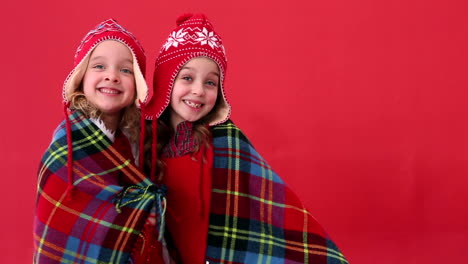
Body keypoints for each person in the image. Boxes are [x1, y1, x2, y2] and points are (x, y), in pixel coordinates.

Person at [144, 13, 349, 264]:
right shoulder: (144, 140)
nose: (198, 90)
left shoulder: (225, 142)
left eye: (211, 82)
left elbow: (275, 210)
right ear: (166, 80)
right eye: (187, 77)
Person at [34, 19, 168, 263]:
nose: (112, 76)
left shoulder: (133, 146)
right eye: (99, 67)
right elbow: (58, 229)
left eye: (125, 70)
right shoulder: (67, 149)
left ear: (137, 85)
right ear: (81, 79)